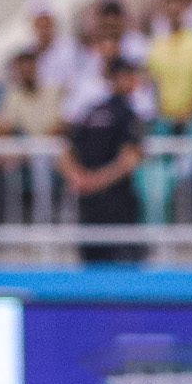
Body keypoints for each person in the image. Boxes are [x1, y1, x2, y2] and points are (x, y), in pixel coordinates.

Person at [60, 57, 147, 264]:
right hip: (112, 204)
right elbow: (130, 159)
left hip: (99, 201)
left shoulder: (92, 112)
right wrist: (85, 180)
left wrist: (83, 180)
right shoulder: (123, 114)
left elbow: (65, 151)